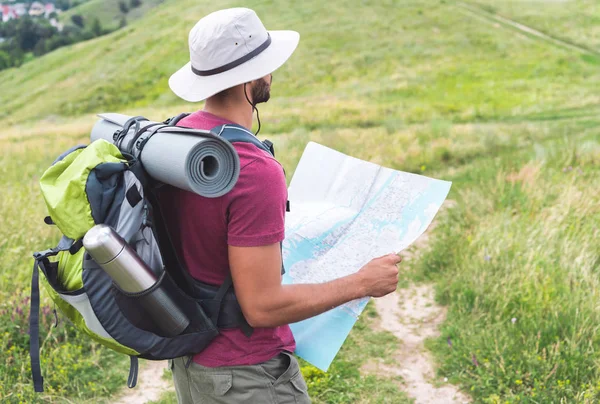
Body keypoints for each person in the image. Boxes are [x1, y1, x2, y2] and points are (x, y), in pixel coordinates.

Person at [162, 7, 402, 404]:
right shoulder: (253, 170)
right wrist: (363, 282)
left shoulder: (179, 137)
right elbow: (260, 307)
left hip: (194, 365)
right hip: (246, 377)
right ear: (252, 76)